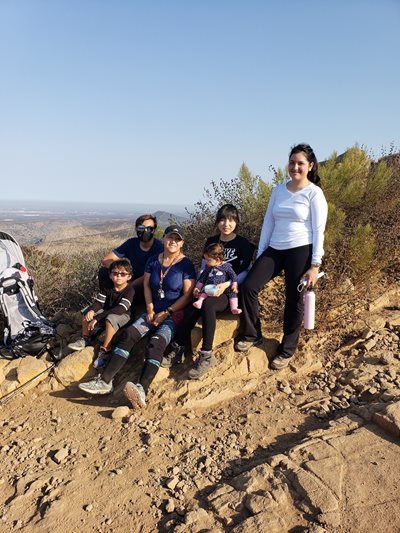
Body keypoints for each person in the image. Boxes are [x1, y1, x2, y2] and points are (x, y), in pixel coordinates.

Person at [78, 225, 196, 408]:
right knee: (128, 335)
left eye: (177, 239)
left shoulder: (186, 264)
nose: (172, 241)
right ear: (163, 239)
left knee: (156, 343)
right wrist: (149, 308)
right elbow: (147, 286)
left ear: (182, 243)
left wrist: (167, 312)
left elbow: (187, 295)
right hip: (152, 310)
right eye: (169, 238)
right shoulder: (153, 261)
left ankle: (142, 389)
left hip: (174, 314)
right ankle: (105, 381)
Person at [236, 143, 328, 370]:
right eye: (292, 162)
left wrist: (315, 264)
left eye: (300, 163)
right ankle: (252, 334)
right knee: (249, 286)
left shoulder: (314, 193)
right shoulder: (278, 190)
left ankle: (287, 349)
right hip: (275, 249)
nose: (295, 167)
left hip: (301, 249)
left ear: (310, 166)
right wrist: (261, 252)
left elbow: (319, 230)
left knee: (293, 299)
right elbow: (269, 221)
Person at [161, 204, 255, 379]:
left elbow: (245, 271)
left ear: (236, 221)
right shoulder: (211, 241)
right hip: (208, 288)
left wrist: (226, 285)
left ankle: (206, 355)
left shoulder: (243, 244)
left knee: (209, 305)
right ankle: (180, 345)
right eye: (222, 219)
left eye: (231, 220)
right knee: (191, 307)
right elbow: (204, 267)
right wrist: (198, 287)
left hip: (229, 293)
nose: (226, 224)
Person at [68, 259, 134, 366]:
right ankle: (85, 338)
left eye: (123, 274)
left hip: (124, 315)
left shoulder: (130, 290)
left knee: (110, 319)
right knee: (88, 312)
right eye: (115, 273)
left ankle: (105, 350)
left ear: (129, 277)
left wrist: (98, 317)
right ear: (110, 275)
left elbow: (120, 309)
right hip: (107, 310)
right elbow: (99, 302)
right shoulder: (107, 287)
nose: (119, 276)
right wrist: (92, 311)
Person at [99, 214, 163, 304]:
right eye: (141, 228)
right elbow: (106, 260)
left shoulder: (159, 248)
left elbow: (152, 274)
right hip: (130, 277)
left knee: (149, 282)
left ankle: (127, 304)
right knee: (104, 272)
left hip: (145, 282)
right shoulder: (131, 243)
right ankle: (107, 299)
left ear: (154, 231)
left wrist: (130, 284)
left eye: (149, 229)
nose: (145, 231)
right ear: (136, 229)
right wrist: (120, 272)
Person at [193, 243, 241, 314]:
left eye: (208, 260)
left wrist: (234, 285)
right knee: (204, 290)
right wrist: (198, 287)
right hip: (211, 287)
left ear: (218, 260)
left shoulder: (226, 266)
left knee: (232, 293)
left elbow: (233, 275)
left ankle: (234, 307)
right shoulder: (208, 267)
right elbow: (203, 278)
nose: (206, 262)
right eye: (205, 259)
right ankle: (199, 301)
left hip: (224, 288)